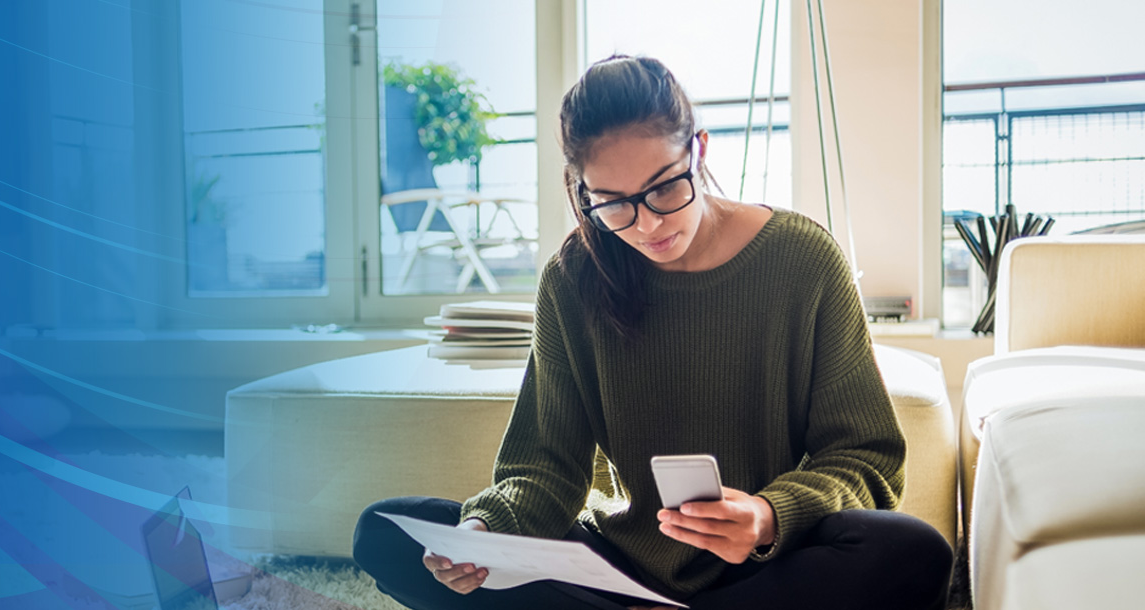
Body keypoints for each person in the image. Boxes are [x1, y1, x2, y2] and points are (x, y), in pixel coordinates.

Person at [352, 55, 953, 610]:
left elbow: (866, 456)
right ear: (581, 190)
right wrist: (482, 535)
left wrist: (769, 515)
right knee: (386, 533)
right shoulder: (573, 278)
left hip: (762, 565)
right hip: (620, 563)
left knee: (912, 552)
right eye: (612, 203)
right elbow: (546, 467)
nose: (647, 224)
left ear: (699, 150)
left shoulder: (803, 259)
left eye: (665, 186)